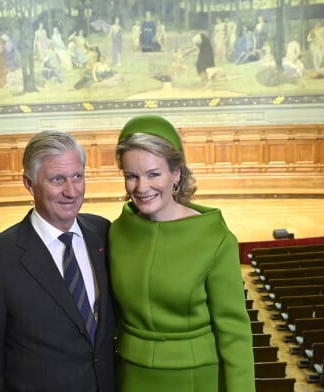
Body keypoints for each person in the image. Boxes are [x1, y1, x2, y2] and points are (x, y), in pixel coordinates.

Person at [109, 114, 256, 392]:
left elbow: (234, 333)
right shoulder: (117, 232)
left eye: (154, 174)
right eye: (132, 176)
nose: (142, 187)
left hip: (194, 378)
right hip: (129, 375)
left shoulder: (215, 238)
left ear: (176, 173)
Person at [0, 130, 117, 392]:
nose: (71, 191)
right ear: (29, 183)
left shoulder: (102, 232)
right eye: (57, 179)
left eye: (77, 176)